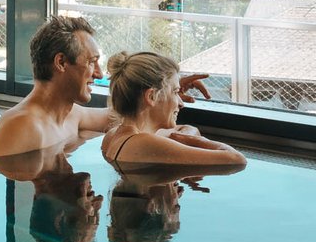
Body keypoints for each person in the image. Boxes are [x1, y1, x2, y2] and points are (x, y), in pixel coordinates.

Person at [0, 16, 212, 158]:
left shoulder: (72, 115)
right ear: (61, 63)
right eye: (91, 62)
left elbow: (129, 114)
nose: (99, 74)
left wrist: (166, 91)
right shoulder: (22, 127)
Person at [98, 51, 246, 167]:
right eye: (175, 92)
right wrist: (190, 139)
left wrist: (182, 136)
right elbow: (236, 159)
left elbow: (184, 129)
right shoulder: (145, 144)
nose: (181, 103)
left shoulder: (113, 136)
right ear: (151, 97)